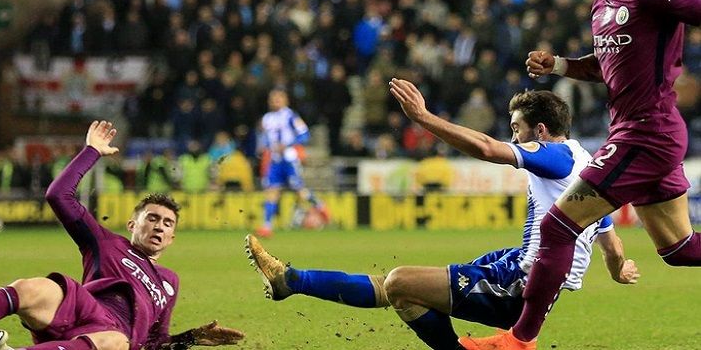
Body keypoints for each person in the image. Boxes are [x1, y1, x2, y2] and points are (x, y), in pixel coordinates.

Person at [246, 86, 639, 350]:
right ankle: (289, 280)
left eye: (517, 129)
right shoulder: (585, 164)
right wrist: (619, 268)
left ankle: (291, 281)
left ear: (539, 130)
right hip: (514, 264)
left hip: (521, 284)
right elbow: (610, 240)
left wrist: (423, 118)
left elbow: (487, 148)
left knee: (400, 282)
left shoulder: (554, 157)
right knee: (400, 289)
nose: (514, 137)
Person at [462, 0, 701, 349]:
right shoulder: (602, 6)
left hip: (647, 134)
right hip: (642, 133)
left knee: (556, 228)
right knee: (679, 249)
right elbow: (604, 67)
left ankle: (519, 340)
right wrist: (557, 66)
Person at [0, 121, 245, 350]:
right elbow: (58, 195)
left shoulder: (169, 281)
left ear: (172, 238)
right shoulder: (106, 242)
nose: (159, 226)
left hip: (111, 339)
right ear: (132, 224)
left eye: (168, 224)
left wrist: (192, 338)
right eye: (152, 218)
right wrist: (91, 151)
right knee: (30, 287)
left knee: (117, 342)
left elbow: (154, 343)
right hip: (82, 307)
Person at [255, 89, 328, 237]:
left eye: (279, 98)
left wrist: (287, 145)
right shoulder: (267, 118)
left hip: (289, 159)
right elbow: (266, 138)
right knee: (272, 192)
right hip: (275, 161)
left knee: (299, 191)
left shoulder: (290, 116)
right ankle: (267, 227)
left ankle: (320, 206)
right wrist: (263, 147)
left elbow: (304, 135)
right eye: (273, 98)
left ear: (285, 100)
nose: (275, 100)